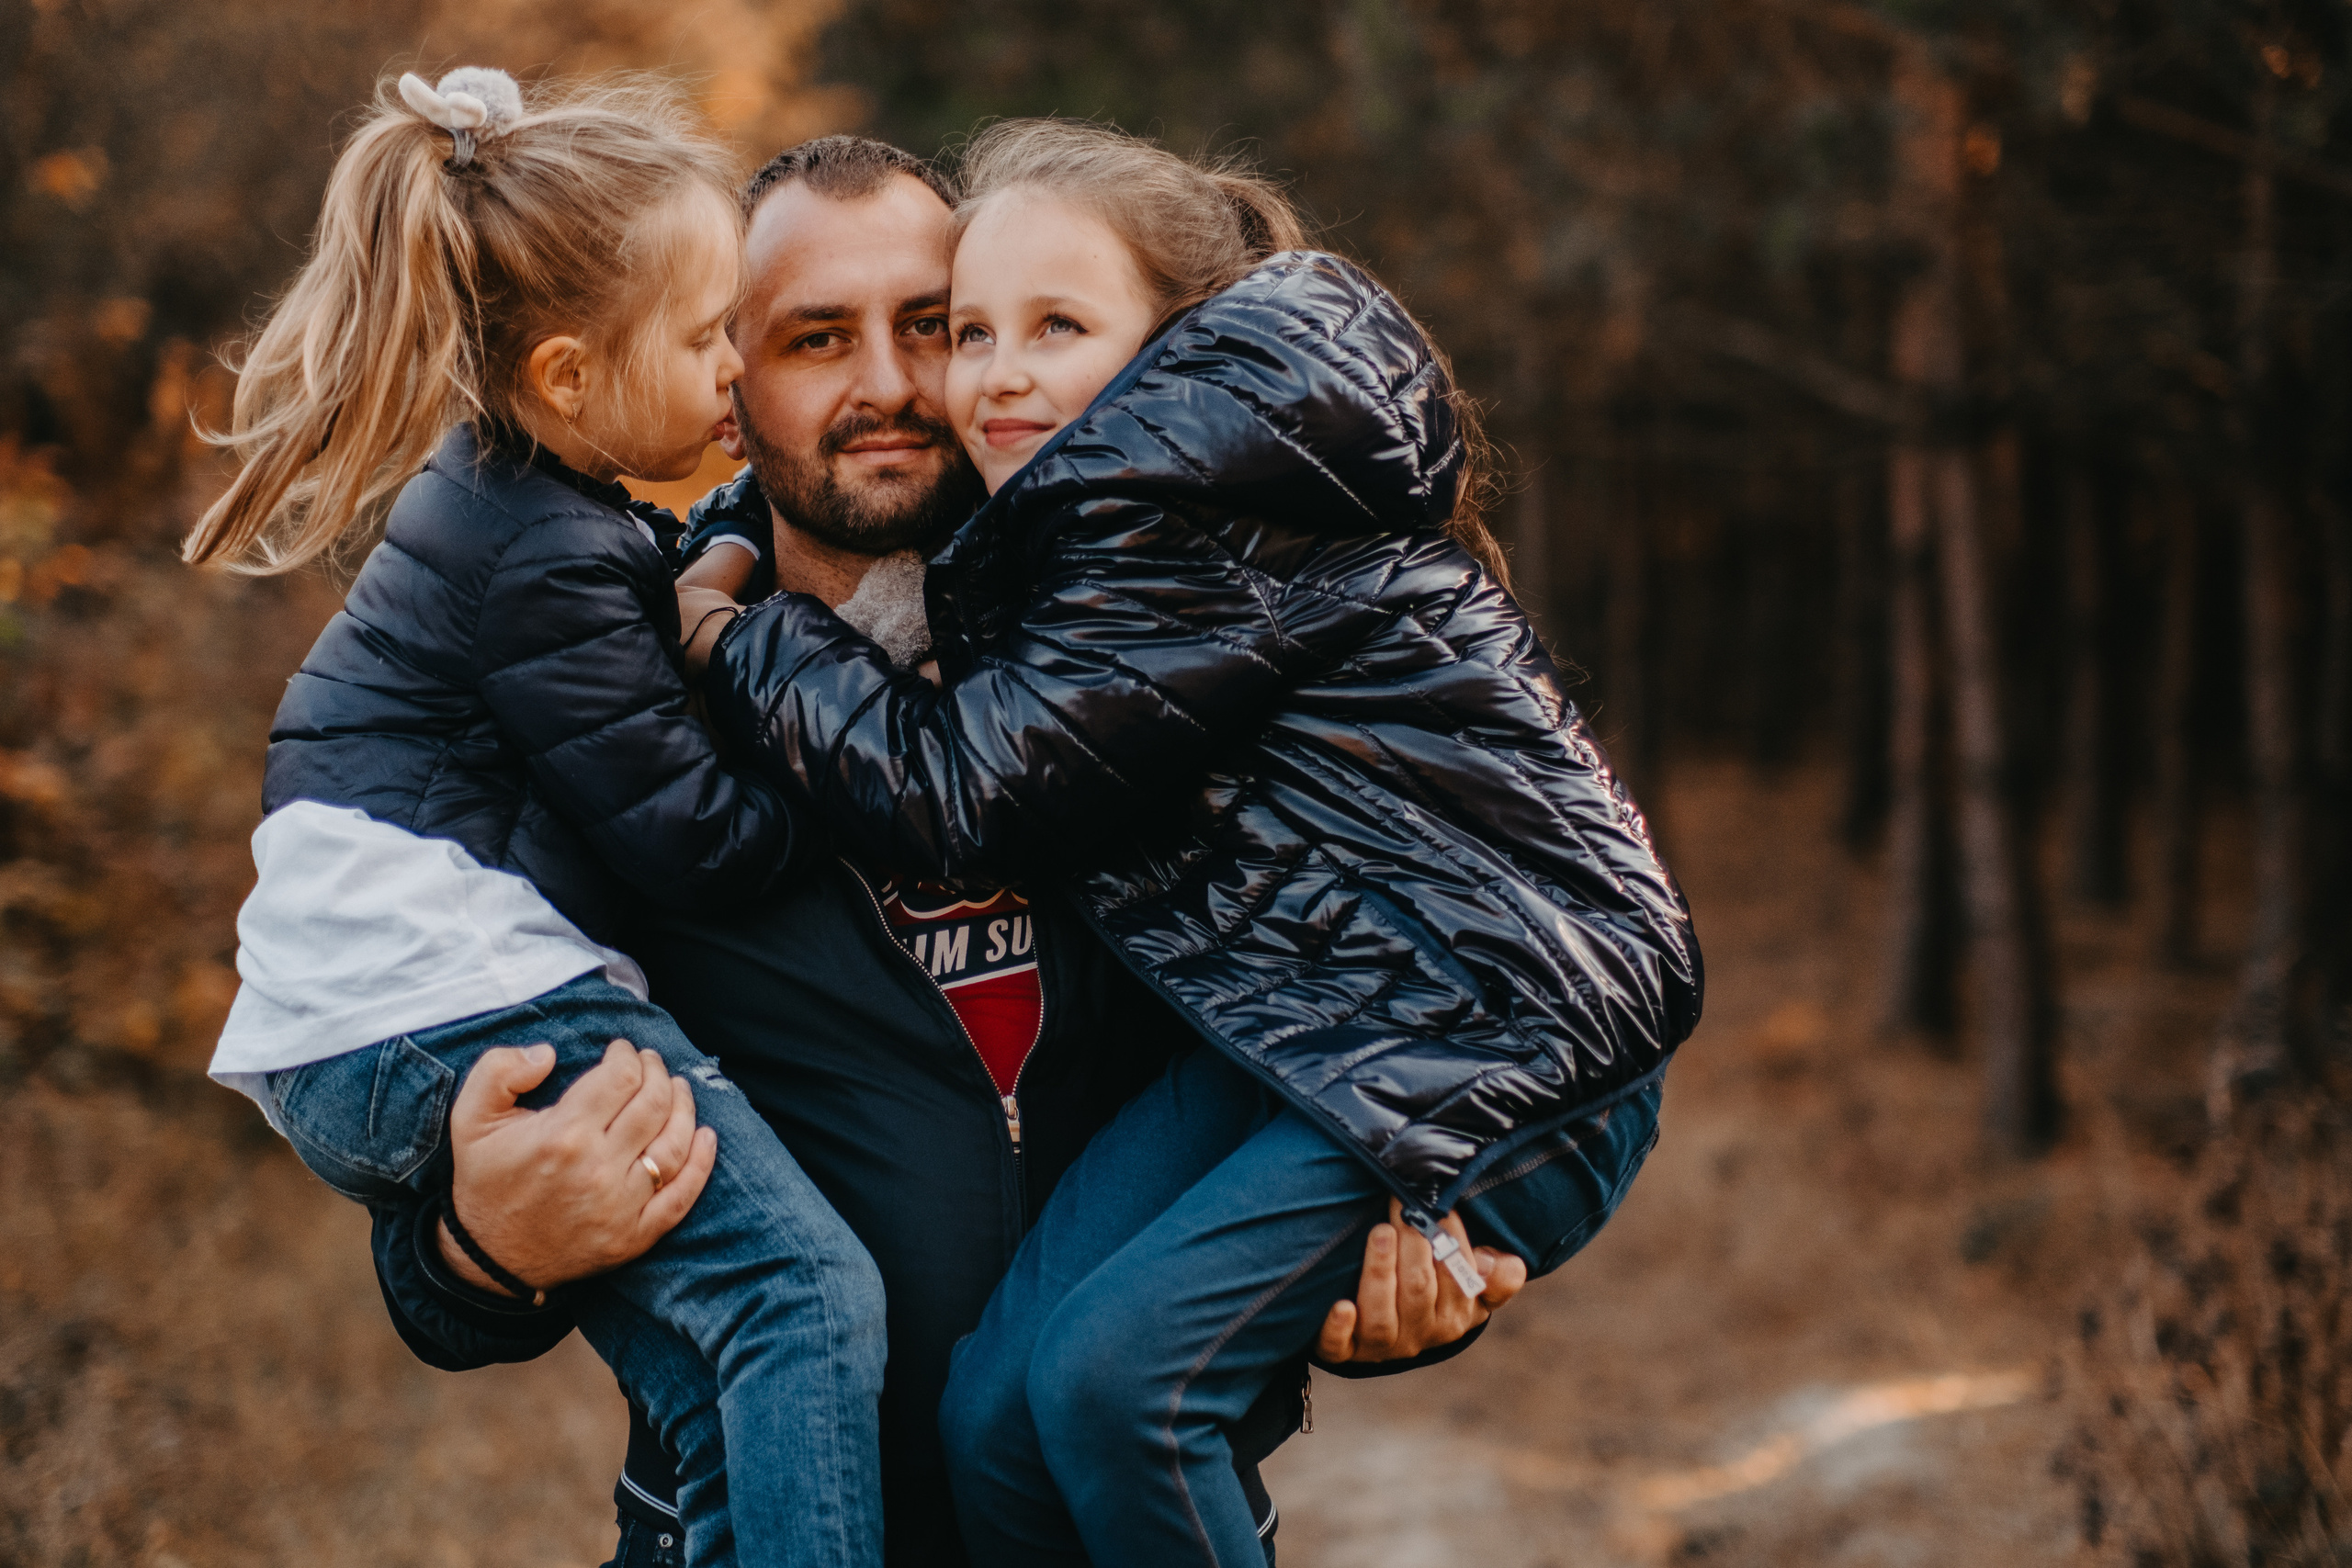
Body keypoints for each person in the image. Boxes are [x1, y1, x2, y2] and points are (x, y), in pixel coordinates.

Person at [360, 134, 1509, 1568]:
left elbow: (1371, 1024)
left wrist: (1397, 1252)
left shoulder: (1158, 684)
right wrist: (482, 1245)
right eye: (813, 338)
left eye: (934, 325)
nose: (895, 386)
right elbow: (425, 1214)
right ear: (726, 378)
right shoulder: (613, 706)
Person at [689, 119, 1705, 1567]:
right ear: (729, 387)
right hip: (1327, 1018)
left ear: (1178, 345)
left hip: (1491, 1021)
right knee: (1002, 1413)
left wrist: (738, 630)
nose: (960, 378)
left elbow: (965, 792)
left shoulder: (1163, 522)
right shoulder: (636, 706)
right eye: (970, 330)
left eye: (1016, 325)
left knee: (1118, 1391)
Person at [188, 71, 888, 1568]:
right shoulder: (550, 557)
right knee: (801, 1301)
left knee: (723, 1376)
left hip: (380, 1009)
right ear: (571, 378)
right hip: (447, 998)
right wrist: (870, 770)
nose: (735, 369)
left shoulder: (539, 513)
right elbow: (693, 842)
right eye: (713, 337)